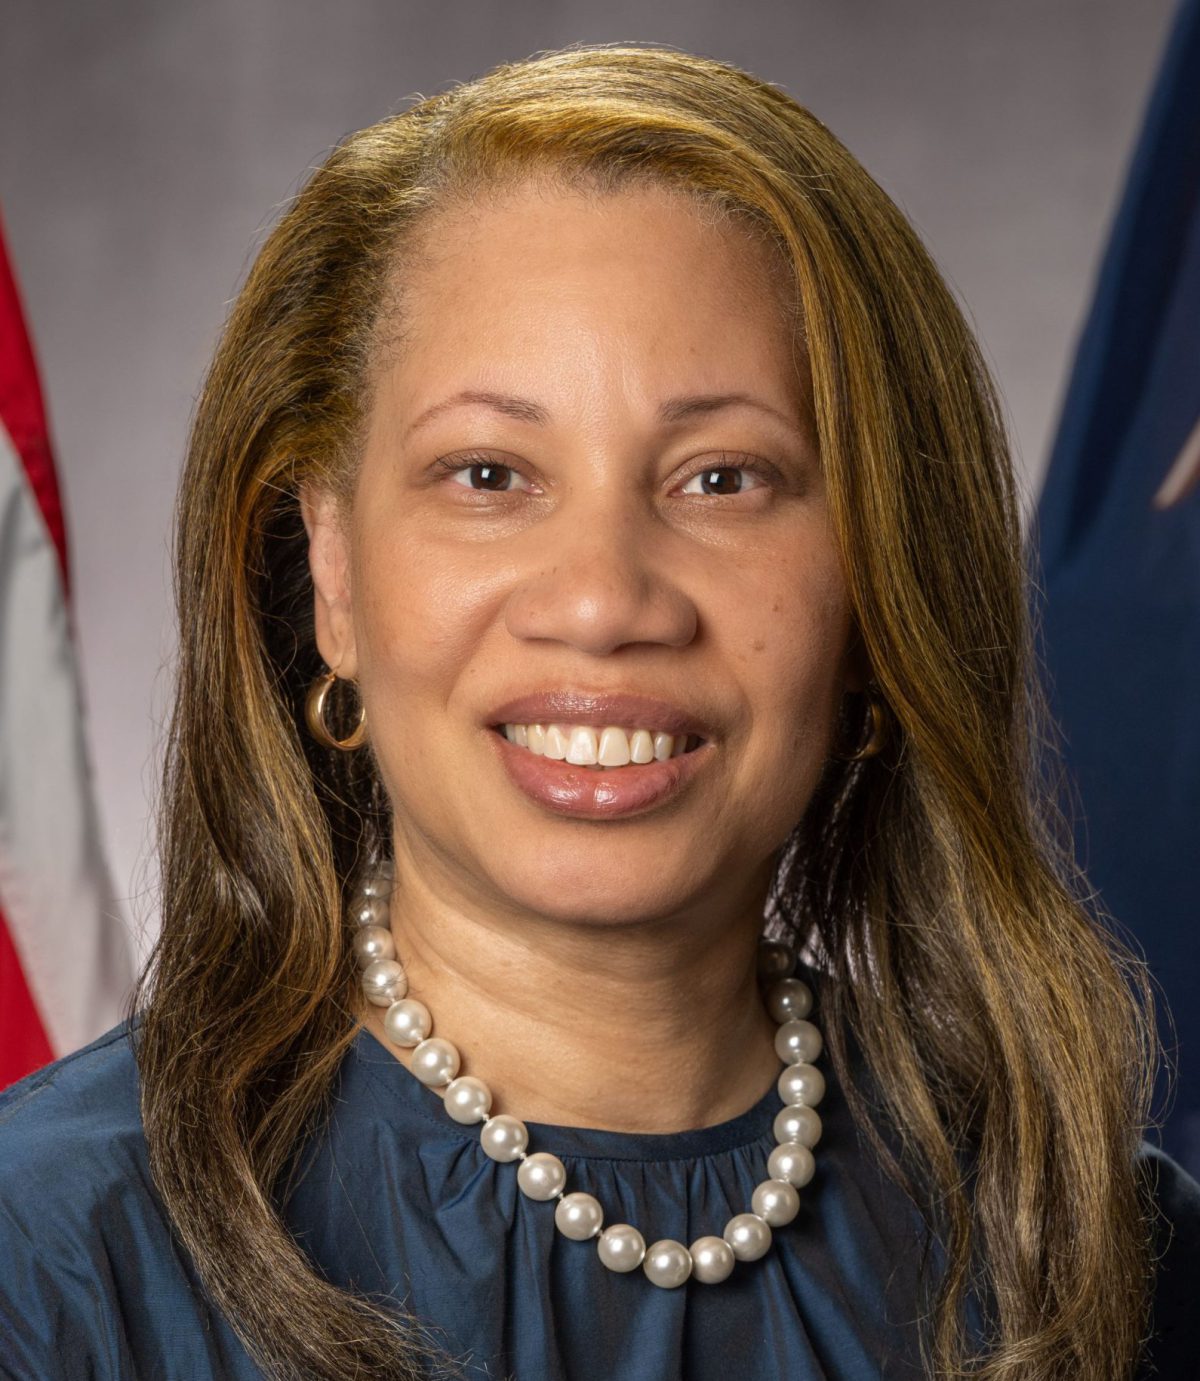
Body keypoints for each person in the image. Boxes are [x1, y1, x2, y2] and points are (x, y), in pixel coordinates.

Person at [0, 42, 1196, 1381]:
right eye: (489, 474)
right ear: (331, 571)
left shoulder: (1098, 1250)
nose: (604, 599)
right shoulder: (45, 1265)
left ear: (877, 582)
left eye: (724, 479)